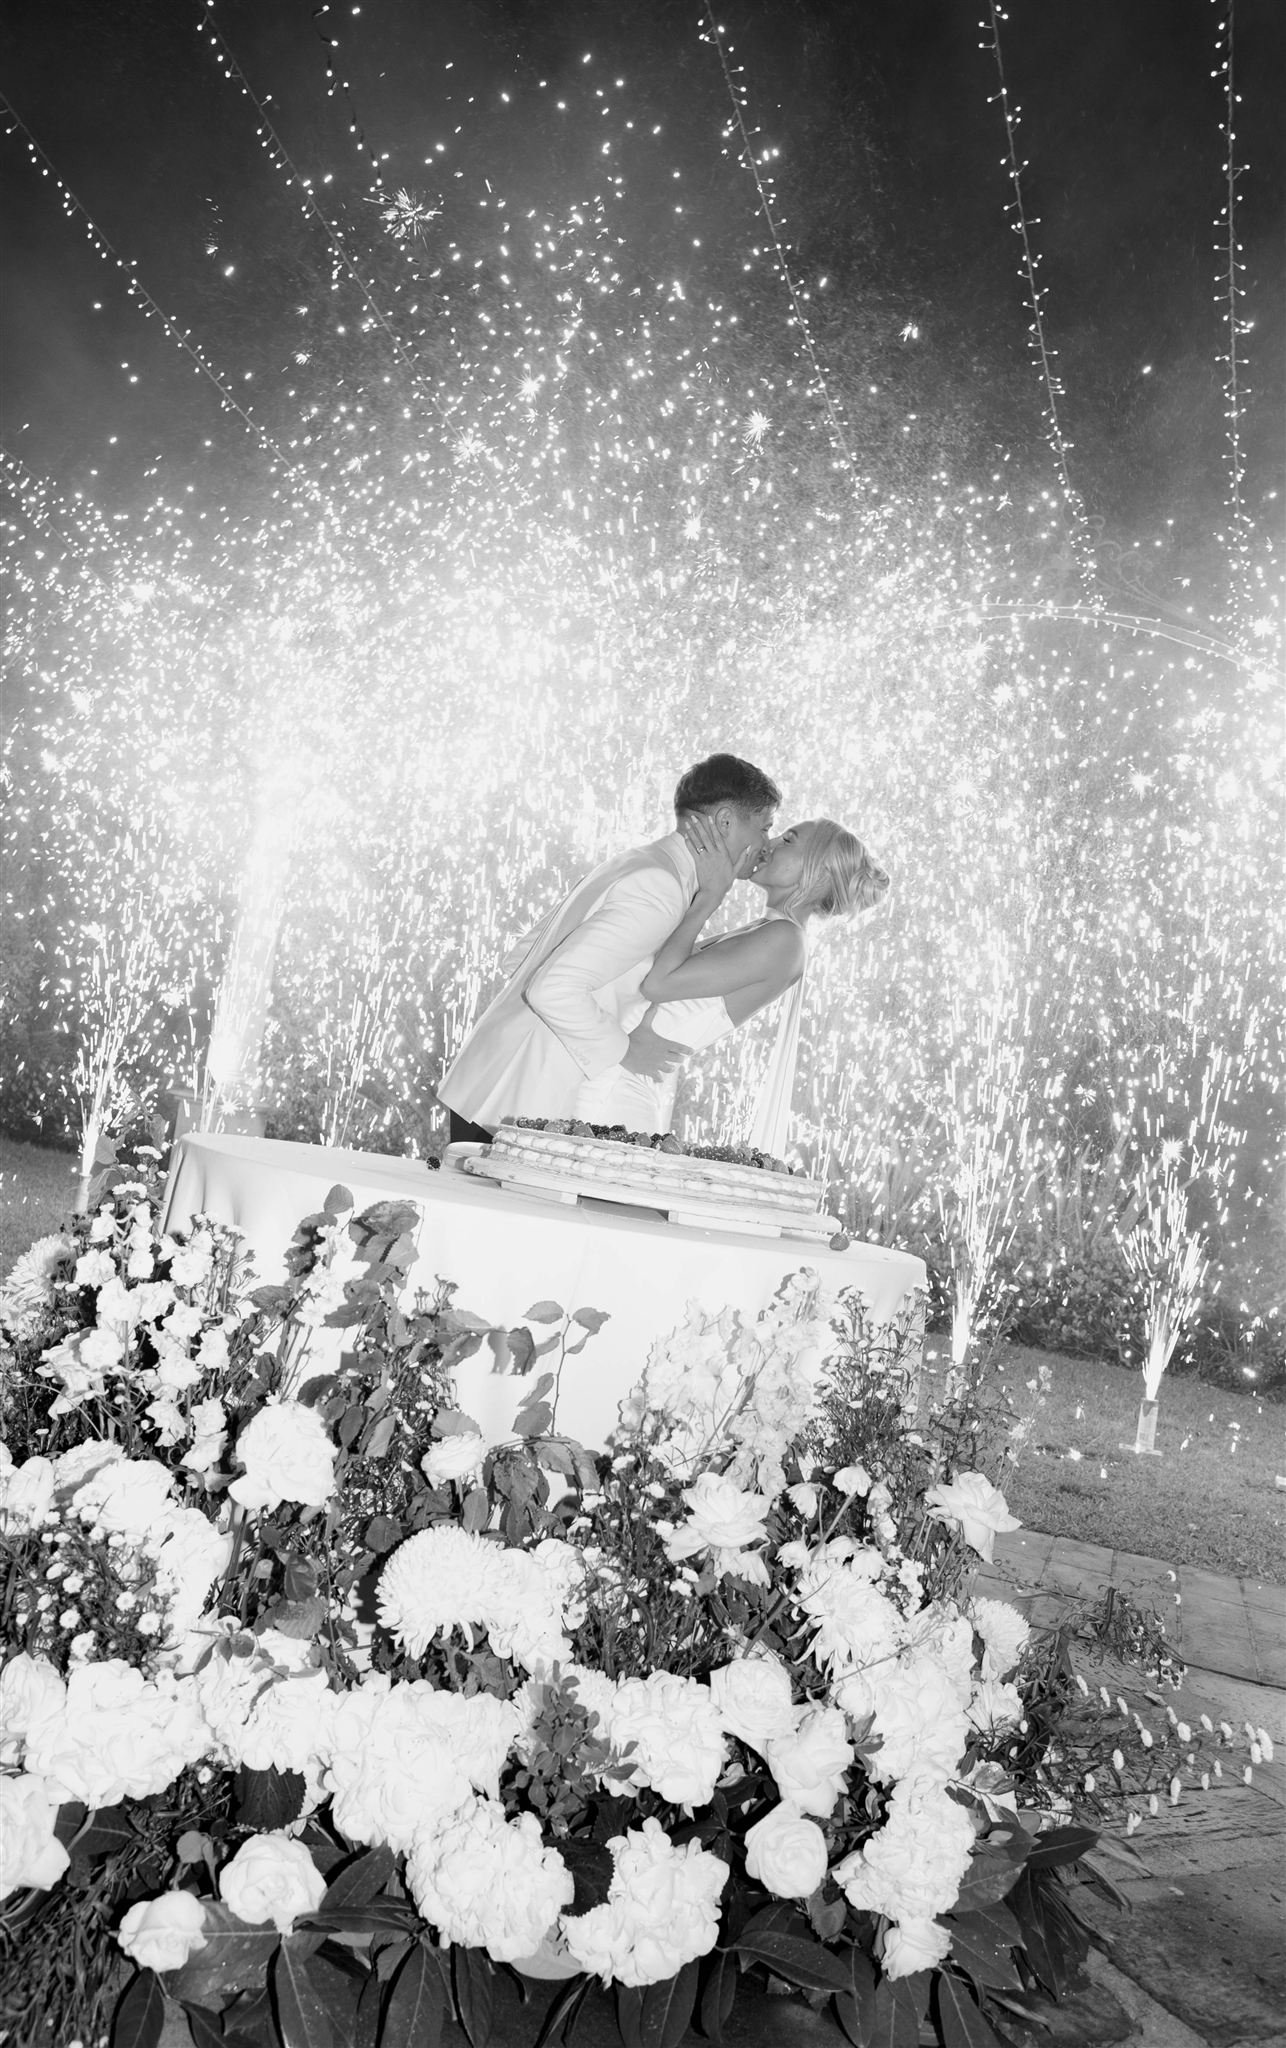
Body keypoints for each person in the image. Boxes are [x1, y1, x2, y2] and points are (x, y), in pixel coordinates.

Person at [437, 754, 781, 1139]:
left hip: (492, 1082)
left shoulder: (644, 862)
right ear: (725, 822)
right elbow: (551, 987)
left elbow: (524, 953)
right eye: (764, 827)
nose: (767, 843)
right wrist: (625, 1051)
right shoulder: (661, 889)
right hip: (518, 1098)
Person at [575, 815, 890, 1152]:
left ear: (820, 872)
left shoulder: (783, 940)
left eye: (788, 840)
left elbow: (658, 983)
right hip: (617, 1075)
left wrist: (711, 894)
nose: (769, 844)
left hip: (618, 1092)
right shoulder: (770, 929)